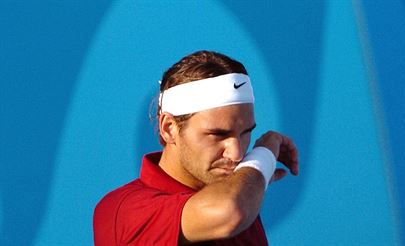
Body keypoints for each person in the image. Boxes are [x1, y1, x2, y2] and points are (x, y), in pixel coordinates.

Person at [93, 50, 299, 245]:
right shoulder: (122, 210)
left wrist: (251, 180)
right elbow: (230, 211)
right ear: (169, 128)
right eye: (218, 134)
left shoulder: (240, 193)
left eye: (246, 133)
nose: (236, 154)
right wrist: (263, 156)